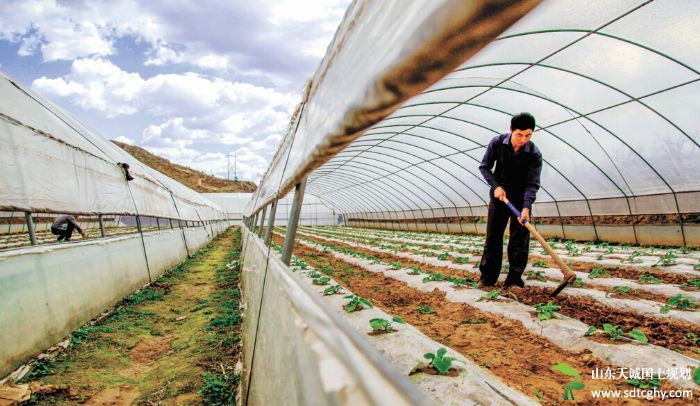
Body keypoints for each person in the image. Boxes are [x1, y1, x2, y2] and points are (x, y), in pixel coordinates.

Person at [477, 112, 542, 289]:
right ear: (511, 130)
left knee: (519, 240)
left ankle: (514, 279)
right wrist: (496, 186)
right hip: (500, 197)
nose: (523, 140)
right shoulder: (497, 143)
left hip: (521, 200)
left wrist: (526, 207)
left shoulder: (534, 153)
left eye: (528, 135)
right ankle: (487, 278)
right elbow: (485, 167)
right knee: (493, 237)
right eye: (519, 135)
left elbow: (532, 183)